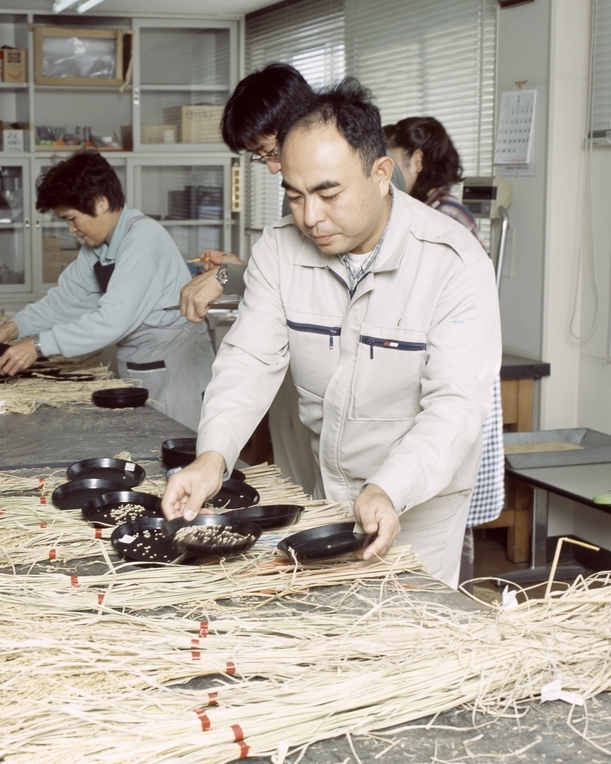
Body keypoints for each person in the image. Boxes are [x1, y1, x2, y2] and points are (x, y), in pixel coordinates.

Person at [163, 79, 502, 589]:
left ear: (381, 174)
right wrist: (213, 457)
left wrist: (389, 488)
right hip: (327, 489)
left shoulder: (453, 261)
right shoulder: (279, 249)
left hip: (417, 498)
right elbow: (248, 362)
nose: (310, 217)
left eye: (328, 194)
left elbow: (454, 406)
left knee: (408, 624)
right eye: (295, 196)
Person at [178, 63, 406, 497]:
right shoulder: (299, 204)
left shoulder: (363, 183)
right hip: (313, 370)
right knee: (308, 489)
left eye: (269, 151)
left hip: (371, 398)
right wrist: (241, 270)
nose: (270, 167)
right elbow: (295, 276)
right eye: (261, 156)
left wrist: (229, 275)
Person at [0, 150, 214, 429]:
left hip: (174, 362)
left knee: (174, 441)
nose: (71, 229)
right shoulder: (99, 247)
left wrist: (38, 346)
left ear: (100, 202)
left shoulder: (142, 242)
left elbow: (112, 320)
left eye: (71, 218)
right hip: (145, 360)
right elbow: (66, 301)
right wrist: (13, 329)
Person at [385, 116, 505, 590]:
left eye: (390, 157)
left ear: (416, 159)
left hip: (457, 367)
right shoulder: (417, 210)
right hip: (428, 368)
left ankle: (459, 602)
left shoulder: (447, 220)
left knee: (451, 505)